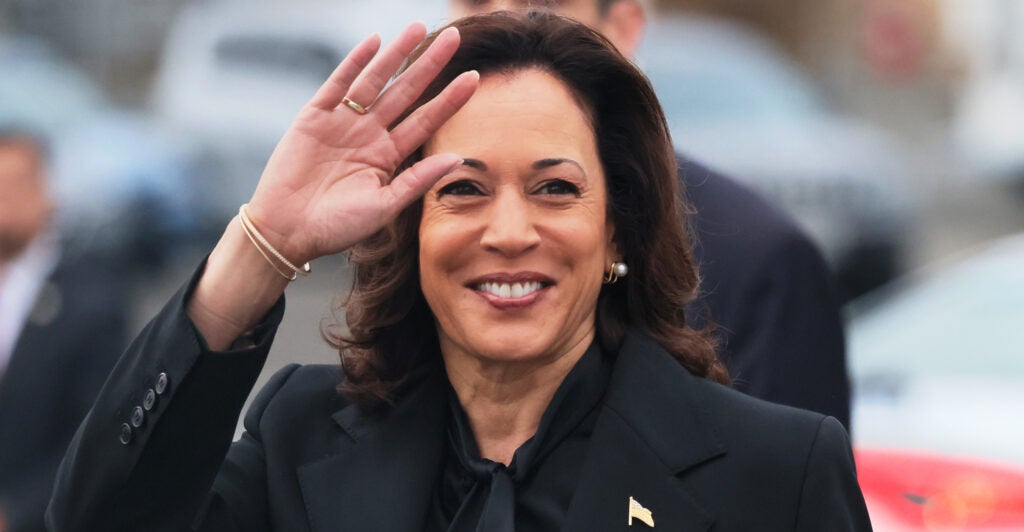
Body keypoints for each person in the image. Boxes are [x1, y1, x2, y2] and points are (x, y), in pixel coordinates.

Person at [48, 13, 870, 531]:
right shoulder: (298, 438)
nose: (509, 232)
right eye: (462, 190)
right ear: (411, 233)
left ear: (615, 225)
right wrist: (264, 242)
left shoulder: (776, 471)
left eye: (555, 188)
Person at [449, 0, 852, 428]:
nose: (505, 20)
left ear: (623, 25)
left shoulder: (759, 260)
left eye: (546, 5)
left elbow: (785, 477)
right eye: (476, 2)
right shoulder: (393, 231)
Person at [0, 129, 127, 532]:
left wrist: (14, 514)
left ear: (49, 193)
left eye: (16, 184)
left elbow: (96, 437)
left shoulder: (91, 301)